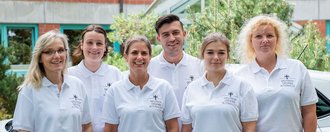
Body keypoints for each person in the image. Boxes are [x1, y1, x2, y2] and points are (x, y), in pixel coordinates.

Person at [235, 15, 318, 132]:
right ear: (250, 41)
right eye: (258, 36)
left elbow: (309, 112)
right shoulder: (240, 75)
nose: (265, 40)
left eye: (269, 35)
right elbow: (237, 120)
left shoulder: (297, 68)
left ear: (277, 39)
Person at [12, 30, 92, 132]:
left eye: (60, 50)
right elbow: (23, 130)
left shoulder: (77, 85)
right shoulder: (29, 90)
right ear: (40, 58)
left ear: (66, 53)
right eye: (49, 52)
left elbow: (87, 125)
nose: (57, 56)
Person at [181, 32, 258, 132]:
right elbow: (186, 128)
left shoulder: (242, 86)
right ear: (203, 55)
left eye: (221, 53)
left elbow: (249, 128)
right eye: (210, 52)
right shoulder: (191, 88)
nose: (216, 57)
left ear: (227, 55)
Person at [103, 36, 180, 132]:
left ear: (150, 57)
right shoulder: (114, 90)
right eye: (134, 52)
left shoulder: (164, 87)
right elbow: (110, 129)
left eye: (144, 53)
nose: (139, 57)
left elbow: (173, 127)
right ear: (126, 56)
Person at [68, 24, 122, 132]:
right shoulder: (69, 76)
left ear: (105, 46)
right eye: (89, 42)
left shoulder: (115, 74)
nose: (94, 47)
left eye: (99, 43)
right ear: (82, 45)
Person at [148, 14, 203, 109]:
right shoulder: (148, 68)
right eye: (166, 35)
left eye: (175, 33)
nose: (172, 38)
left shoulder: (199, 66)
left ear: (184, 34)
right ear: (159, 39)